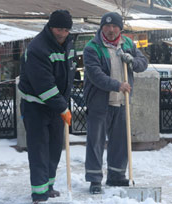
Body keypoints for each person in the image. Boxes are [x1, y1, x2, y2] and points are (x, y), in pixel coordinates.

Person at [83, 12, 148, 194]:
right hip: (99, 102)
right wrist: (117, 85)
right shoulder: (92, 47)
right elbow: (96, 75)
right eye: (107, 26)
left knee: (120, 141)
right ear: (102, 27)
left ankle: (116, 175)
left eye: (115, 27)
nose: (111, 30)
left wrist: (132, 60)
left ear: (120, 28)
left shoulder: (127, 44)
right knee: (95, 142)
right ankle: (95, 179)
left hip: (122, 101)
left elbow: (143, 63)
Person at [18, 10, 76, 204]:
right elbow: (44, 86)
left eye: (66, 29)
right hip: (36, 107)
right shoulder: (37, 48)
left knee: (53, 149)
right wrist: (63, 108)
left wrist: (63, 104)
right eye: (59, 28)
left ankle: (48, 186)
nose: (62, 33)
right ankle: (39, 194)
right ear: (51, 27)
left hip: (55, 107)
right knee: (39, 151)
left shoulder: (68, 44)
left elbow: (68, 76)